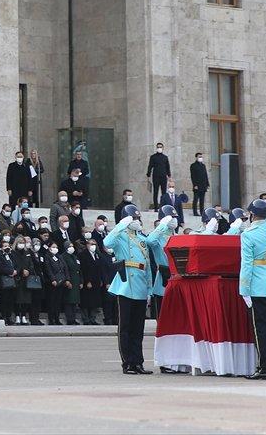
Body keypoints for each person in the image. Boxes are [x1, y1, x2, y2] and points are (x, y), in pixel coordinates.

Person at [103, 204, 161, 374]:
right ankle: (127, 363)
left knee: (138, 328)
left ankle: (138, 362)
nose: (137, 221)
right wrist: (121, 224)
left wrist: (149, 290)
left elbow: (148, 266)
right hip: (126, 284)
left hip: (141, 285)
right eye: (133, 219)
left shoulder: (142, 239)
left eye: (137, 218)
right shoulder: (121, 236)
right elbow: (107, 242)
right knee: (125, 327)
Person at [238, 198, 266, 380]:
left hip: (257, 284)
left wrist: (244, 289)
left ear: (252, 215)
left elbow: (247, 264)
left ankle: (264, 367)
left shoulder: (248, 234)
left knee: (260, 328)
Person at [146, 142, 170, 210]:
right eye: (158, 147)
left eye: (160, 147)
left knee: (164, 192)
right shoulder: (153, 157)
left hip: (163, 176)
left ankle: (163, 206)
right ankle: (156, 207)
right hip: (156, 176)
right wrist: (148, 174)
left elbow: (167, 167)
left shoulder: (165, 157)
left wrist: (169, 175)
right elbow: (150, 166)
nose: (159, 148)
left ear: (163, 148)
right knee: (155, 191)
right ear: (156, 148)